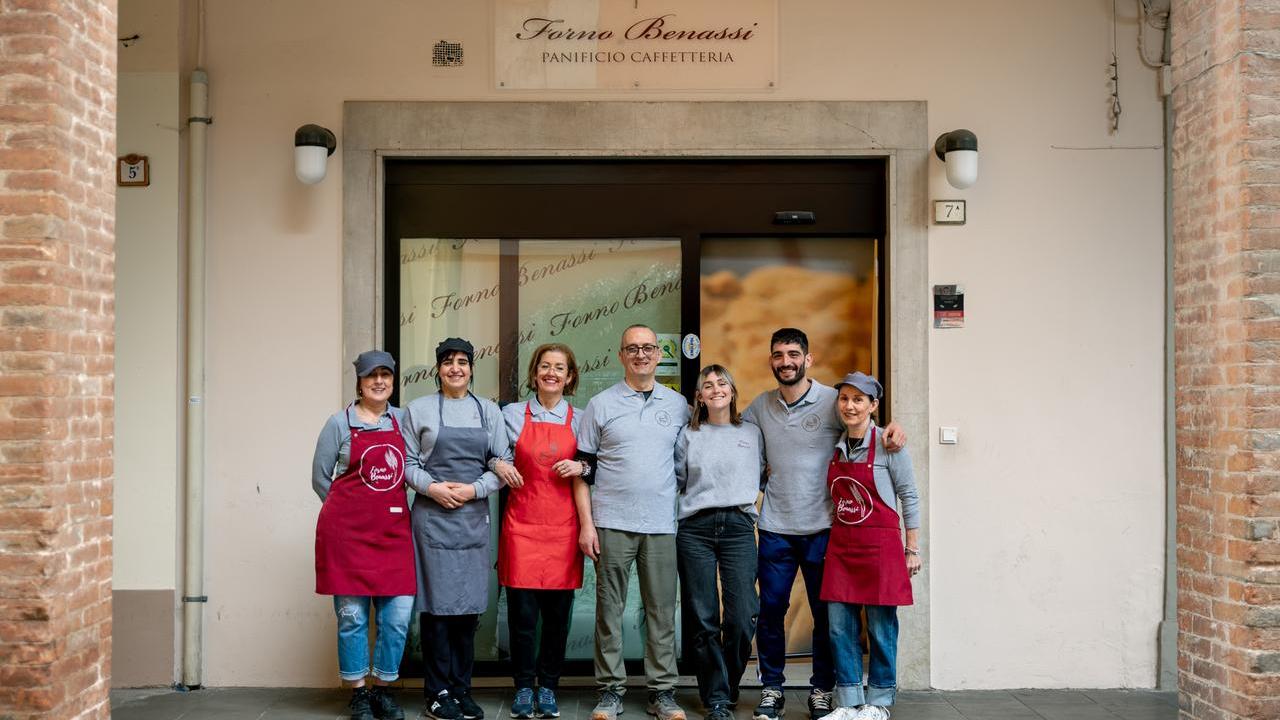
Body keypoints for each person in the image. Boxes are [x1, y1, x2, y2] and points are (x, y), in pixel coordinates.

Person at [743, 328, 905, 720]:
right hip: (776, 526)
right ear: (771, 361)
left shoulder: (835, 400)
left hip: (825, 528)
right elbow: (733, 440)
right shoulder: (759, 408)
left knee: (826, 615)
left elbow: (864, 418)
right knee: (771, 611)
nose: (786, 362)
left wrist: (894, 428)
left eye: (793, 354)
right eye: (779, 355)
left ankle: (821, 689)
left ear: (808, 359)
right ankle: (772, 689)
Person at [574, 324, 690, 720]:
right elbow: (584, 470)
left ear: (659, 354)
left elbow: (688, 464)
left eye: (647, 348)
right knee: (610, 611)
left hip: (661, 524)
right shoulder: (600, 405)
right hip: (611, 522)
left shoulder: (678, 406)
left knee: (661, 611)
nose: (640, 355)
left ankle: (662, 692)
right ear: (620, 356)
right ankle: (610, 691)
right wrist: (587, 525)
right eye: (632, 349)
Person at [403, 338, 511, 720]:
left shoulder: (489, 412)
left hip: (472, 518)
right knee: (436, 610)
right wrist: (432, 488)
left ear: (471, 368)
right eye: (448, 362)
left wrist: (473, 489)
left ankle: (463, 689)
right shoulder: (418, 410)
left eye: (462, 362)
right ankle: (437, 691)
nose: (456, 369)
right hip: (432, 519)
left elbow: (501, 462)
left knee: (467, 611)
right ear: (437, 369)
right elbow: (406, 463)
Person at [311, 350, 414, 720]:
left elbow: (415, 467)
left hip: (393, 534)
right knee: (353, 615)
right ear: (359, 381)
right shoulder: (338, 424)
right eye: (372, 375)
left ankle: (383, 689)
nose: (379, 381)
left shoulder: (403, 420)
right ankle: (358, 692)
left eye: (386, 374)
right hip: (348, 537)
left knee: (397, 616)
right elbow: (320, 478)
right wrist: (348, 512)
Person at [492, 343, 587, 720]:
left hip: (564, 528)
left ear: (570, 377)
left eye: (559, 367)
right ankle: (522, 687)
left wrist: (581, 468)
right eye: (545, 366)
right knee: (522, 617)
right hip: (521, 526)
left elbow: (593, 465)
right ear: (534, 374)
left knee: (557, 618)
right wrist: (499, 463)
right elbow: (491, 451)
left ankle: (547, 687)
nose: (551, 373)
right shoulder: (511, 414)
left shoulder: (580, 419)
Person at [821, 373, 919, 720]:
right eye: (845, 399)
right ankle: (848, 702)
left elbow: (909, 496)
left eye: (858, 400)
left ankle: (878, 702)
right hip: (843, 546)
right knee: (839, 627)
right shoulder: (836, 445)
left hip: (880, 547)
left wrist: (913, 548)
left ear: (873, 406)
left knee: (880, 627)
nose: (850, 406)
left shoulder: (890, 445)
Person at [674, 365, 765, 720]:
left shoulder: (752, 432)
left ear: (732, 390)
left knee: (743, 614)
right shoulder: (688, 434)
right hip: (695, 528)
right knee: (702, 616)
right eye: (707, 385)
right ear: (699, 396)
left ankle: (727, 684)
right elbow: (678, 479)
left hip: (739, 526)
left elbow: (763, 473)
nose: (715, 389)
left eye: (721, 383)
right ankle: (716, 697)